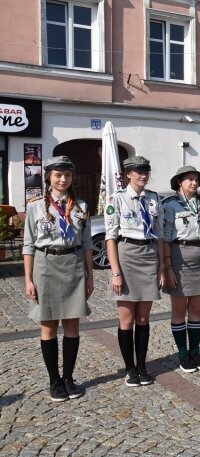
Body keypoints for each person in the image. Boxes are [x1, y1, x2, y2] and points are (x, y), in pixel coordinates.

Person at [23, 156, 93, 402]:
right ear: (48, 178)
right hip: (45, 266)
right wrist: (28, 279)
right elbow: (29, 245)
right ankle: (54, 381)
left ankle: (69, 378)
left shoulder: (81, 206)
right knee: (49, 325)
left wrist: (90, 275)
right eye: (58, 175)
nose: (63, 179)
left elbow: (86, 244)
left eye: (67, 175)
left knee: (72, 325)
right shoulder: (35, 207)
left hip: (73, 265)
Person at [105, 155, 165, 387]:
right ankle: (130, 368)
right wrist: (115, 272)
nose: (143, 175)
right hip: (127, 255)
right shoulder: (117, 198)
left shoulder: (153, 198)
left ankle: (142, 365)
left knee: (143, 317)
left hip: (149, 256)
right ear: (127, 174)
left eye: (146, 171)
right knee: (127, 318)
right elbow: (111, 237)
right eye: (138, 171)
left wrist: (161, 266)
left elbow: (158, 235)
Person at [162, 166, 200, 373]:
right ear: (179, 182)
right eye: (190, 179)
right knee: (178, 309)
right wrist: (167, 267)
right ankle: (183, 354)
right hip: (179, 257)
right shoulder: (169, 206)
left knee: (195, 309)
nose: (194, 183)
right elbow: (165, 238)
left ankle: (195, 351)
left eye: (196, 179)